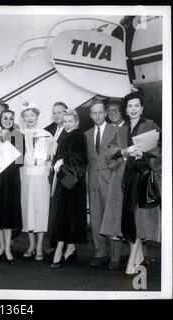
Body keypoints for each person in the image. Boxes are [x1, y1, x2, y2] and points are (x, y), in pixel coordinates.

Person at [104, 92, 161, 275]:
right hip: (123, 182)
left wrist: (143, 155)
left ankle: (131, 262)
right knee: (128, 219)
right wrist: (125, 151)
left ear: (142, 108)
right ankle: (137, 259)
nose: (134, 109)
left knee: (138, 221)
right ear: (126, 110)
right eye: (130, 106)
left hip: (142, 180)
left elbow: (159, 153)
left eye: (137, 106)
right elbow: (109, 156)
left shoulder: (150, 126)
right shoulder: (120, 130)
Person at [85, 99, 123, 270]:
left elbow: (120, 157)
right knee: (96, 218)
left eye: (100, 112)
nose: (98, 115)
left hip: (112, 181)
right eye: (94, 113)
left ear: (105, 113)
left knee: (113, 218)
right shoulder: (86, 135)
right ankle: (100, 252)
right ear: (91, 115)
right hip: (93, 181)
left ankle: (115, 257)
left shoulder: (115, 131)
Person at [48, 110, 88, 268]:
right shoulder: (69, 136)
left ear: (77, 122)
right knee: (68, 216)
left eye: (70, 121)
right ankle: (70, 248)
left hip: (71, 182)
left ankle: (60, 250)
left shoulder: (77, 136)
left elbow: (80, 161)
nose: (67, 124)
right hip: (67, 181)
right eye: (65, 121)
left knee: (64, 216)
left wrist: (62, 163)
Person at [0, 109, 25, 264]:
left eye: (10, 118)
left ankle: (8, 249)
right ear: (0, 119)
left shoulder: (18, 135)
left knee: (8, 215)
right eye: (5, 118)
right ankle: (2, 247)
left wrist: (5, 148)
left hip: (11, 179)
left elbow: (20, 160)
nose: (8, 120)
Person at [19, 104, 55, 261]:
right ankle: (31, 244)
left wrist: (45, 158)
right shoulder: (19, 135)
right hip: (25, 177)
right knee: (27, 209)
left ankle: (40, 245)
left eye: (32, 115)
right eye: (26, 116)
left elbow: (52, 156)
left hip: (41, 177)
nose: (29, 118)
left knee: (41, 209)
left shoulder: (46, 135)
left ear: (37, 116)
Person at [45, 101, 68, 254]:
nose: (56, 115)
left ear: (66, 113)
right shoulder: (49, 130)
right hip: (50, 174)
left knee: (63, 210)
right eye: (54, 112)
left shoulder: (70, 130)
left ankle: (65, 246)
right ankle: (54, 245)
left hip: (64, 175)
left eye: (59, 112)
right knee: (53, 209)